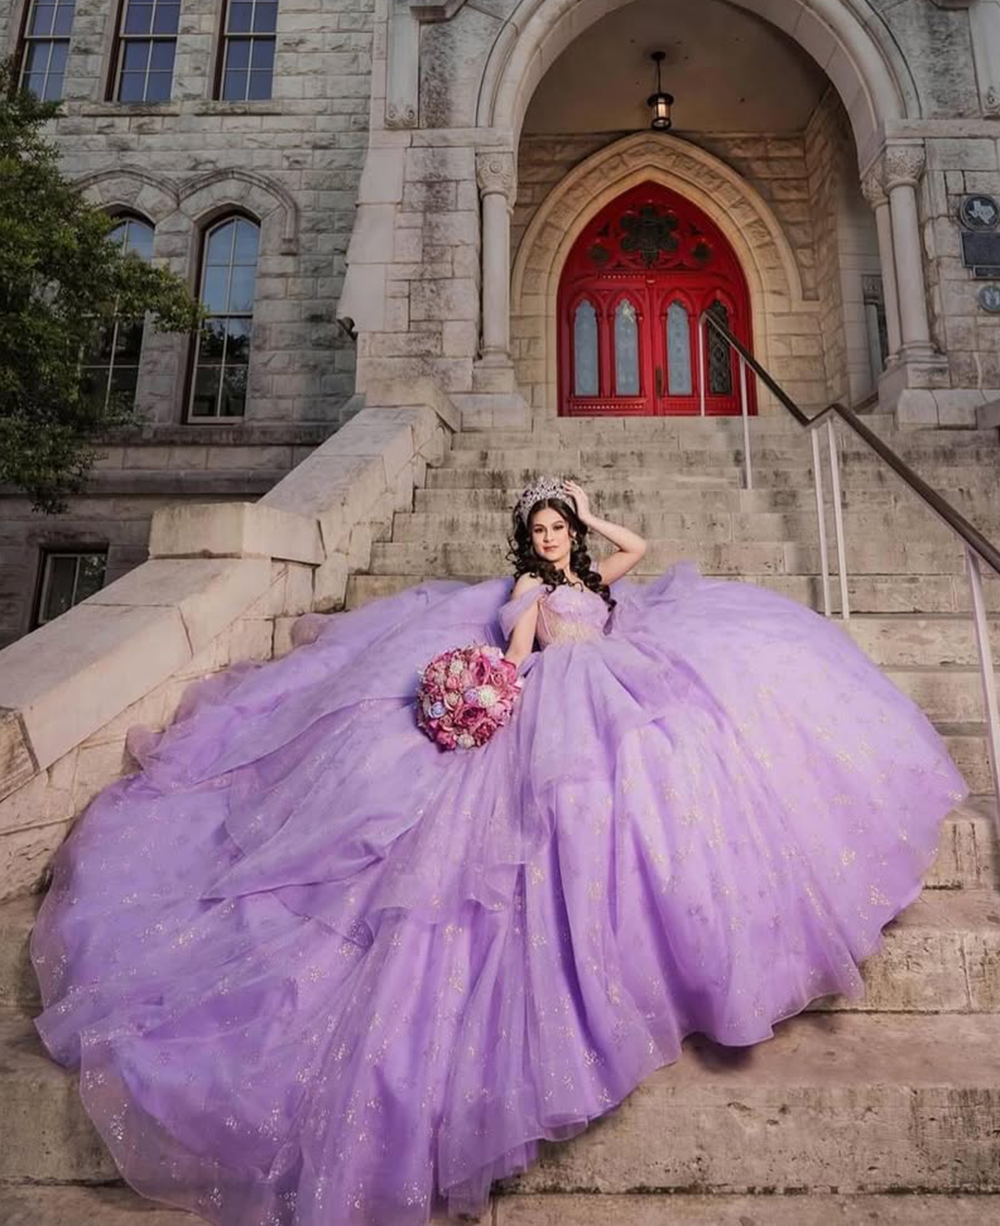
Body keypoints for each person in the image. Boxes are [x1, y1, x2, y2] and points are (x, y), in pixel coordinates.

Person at [31, 477, 967, 1226]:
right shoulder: (528, 594)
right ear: (527, 542)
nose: (554, 540)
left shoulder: (596, 578)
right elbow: (517, 658)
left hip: (624, 685)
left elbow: (636, 549)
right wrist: (483, 695)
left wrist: (590, 514)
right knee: (569, 816)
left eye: (561, 530)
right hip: (565, 701)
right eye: (544, 530)